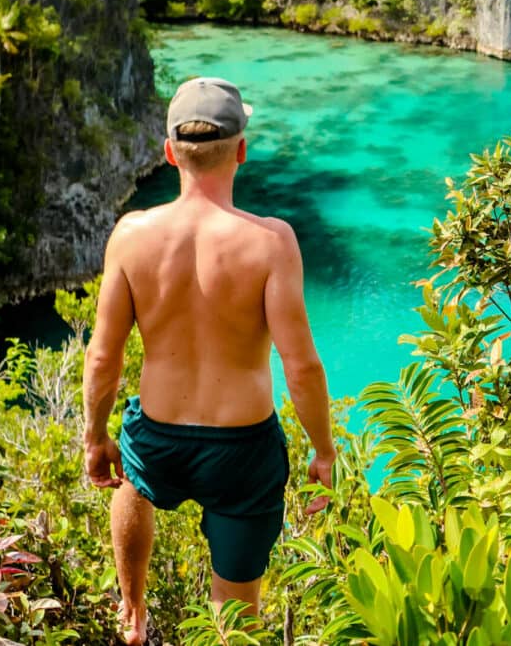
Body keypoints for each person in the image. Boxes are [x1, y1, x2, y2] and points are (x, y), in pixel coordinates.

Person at [82, 77, 336, 643]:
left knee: (134, 481)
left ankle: (132, 608)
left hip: (158, 435)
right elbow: (302, 366)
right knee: (235, 610)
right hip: (243, 447)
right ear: (241, 149)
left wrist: (94, 437)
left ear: (170, 152)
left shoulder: (131, 236)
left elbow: (104, 355)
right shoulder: (271, 243)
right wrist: (323, 450)